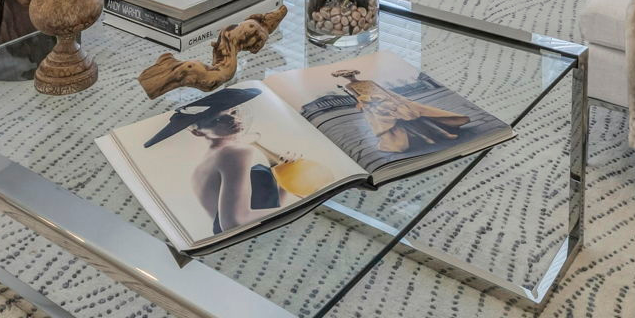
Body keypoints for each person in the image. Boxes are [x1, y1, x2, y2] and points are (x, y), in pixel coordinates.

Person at [143, 87, 293, 238]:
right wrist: (291, 208)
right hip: (250, 236)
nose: (234, 119)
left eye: (233, 112)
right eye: (218, 119)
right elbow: (234, 223)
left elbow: (262, 208)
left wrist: (284, 185)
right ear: (197, 131)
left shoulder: (204, 165)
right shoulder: (235, 153)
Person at [329, 66, 473, 153]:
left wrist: (399, 99)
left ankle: (444, 133)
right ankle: (426, 138)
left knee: (417, 117)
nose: (350, 77)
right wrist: (363, 103)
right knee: (400, 124)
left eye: (351, 74)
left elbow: (384, 91)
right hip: (376, 107)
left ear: (354, 74)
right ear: (345, 78)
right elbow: (358, 97)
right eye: (346, 76)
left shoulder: (368, 81)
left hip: (390, 102)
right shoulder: (349, 87)